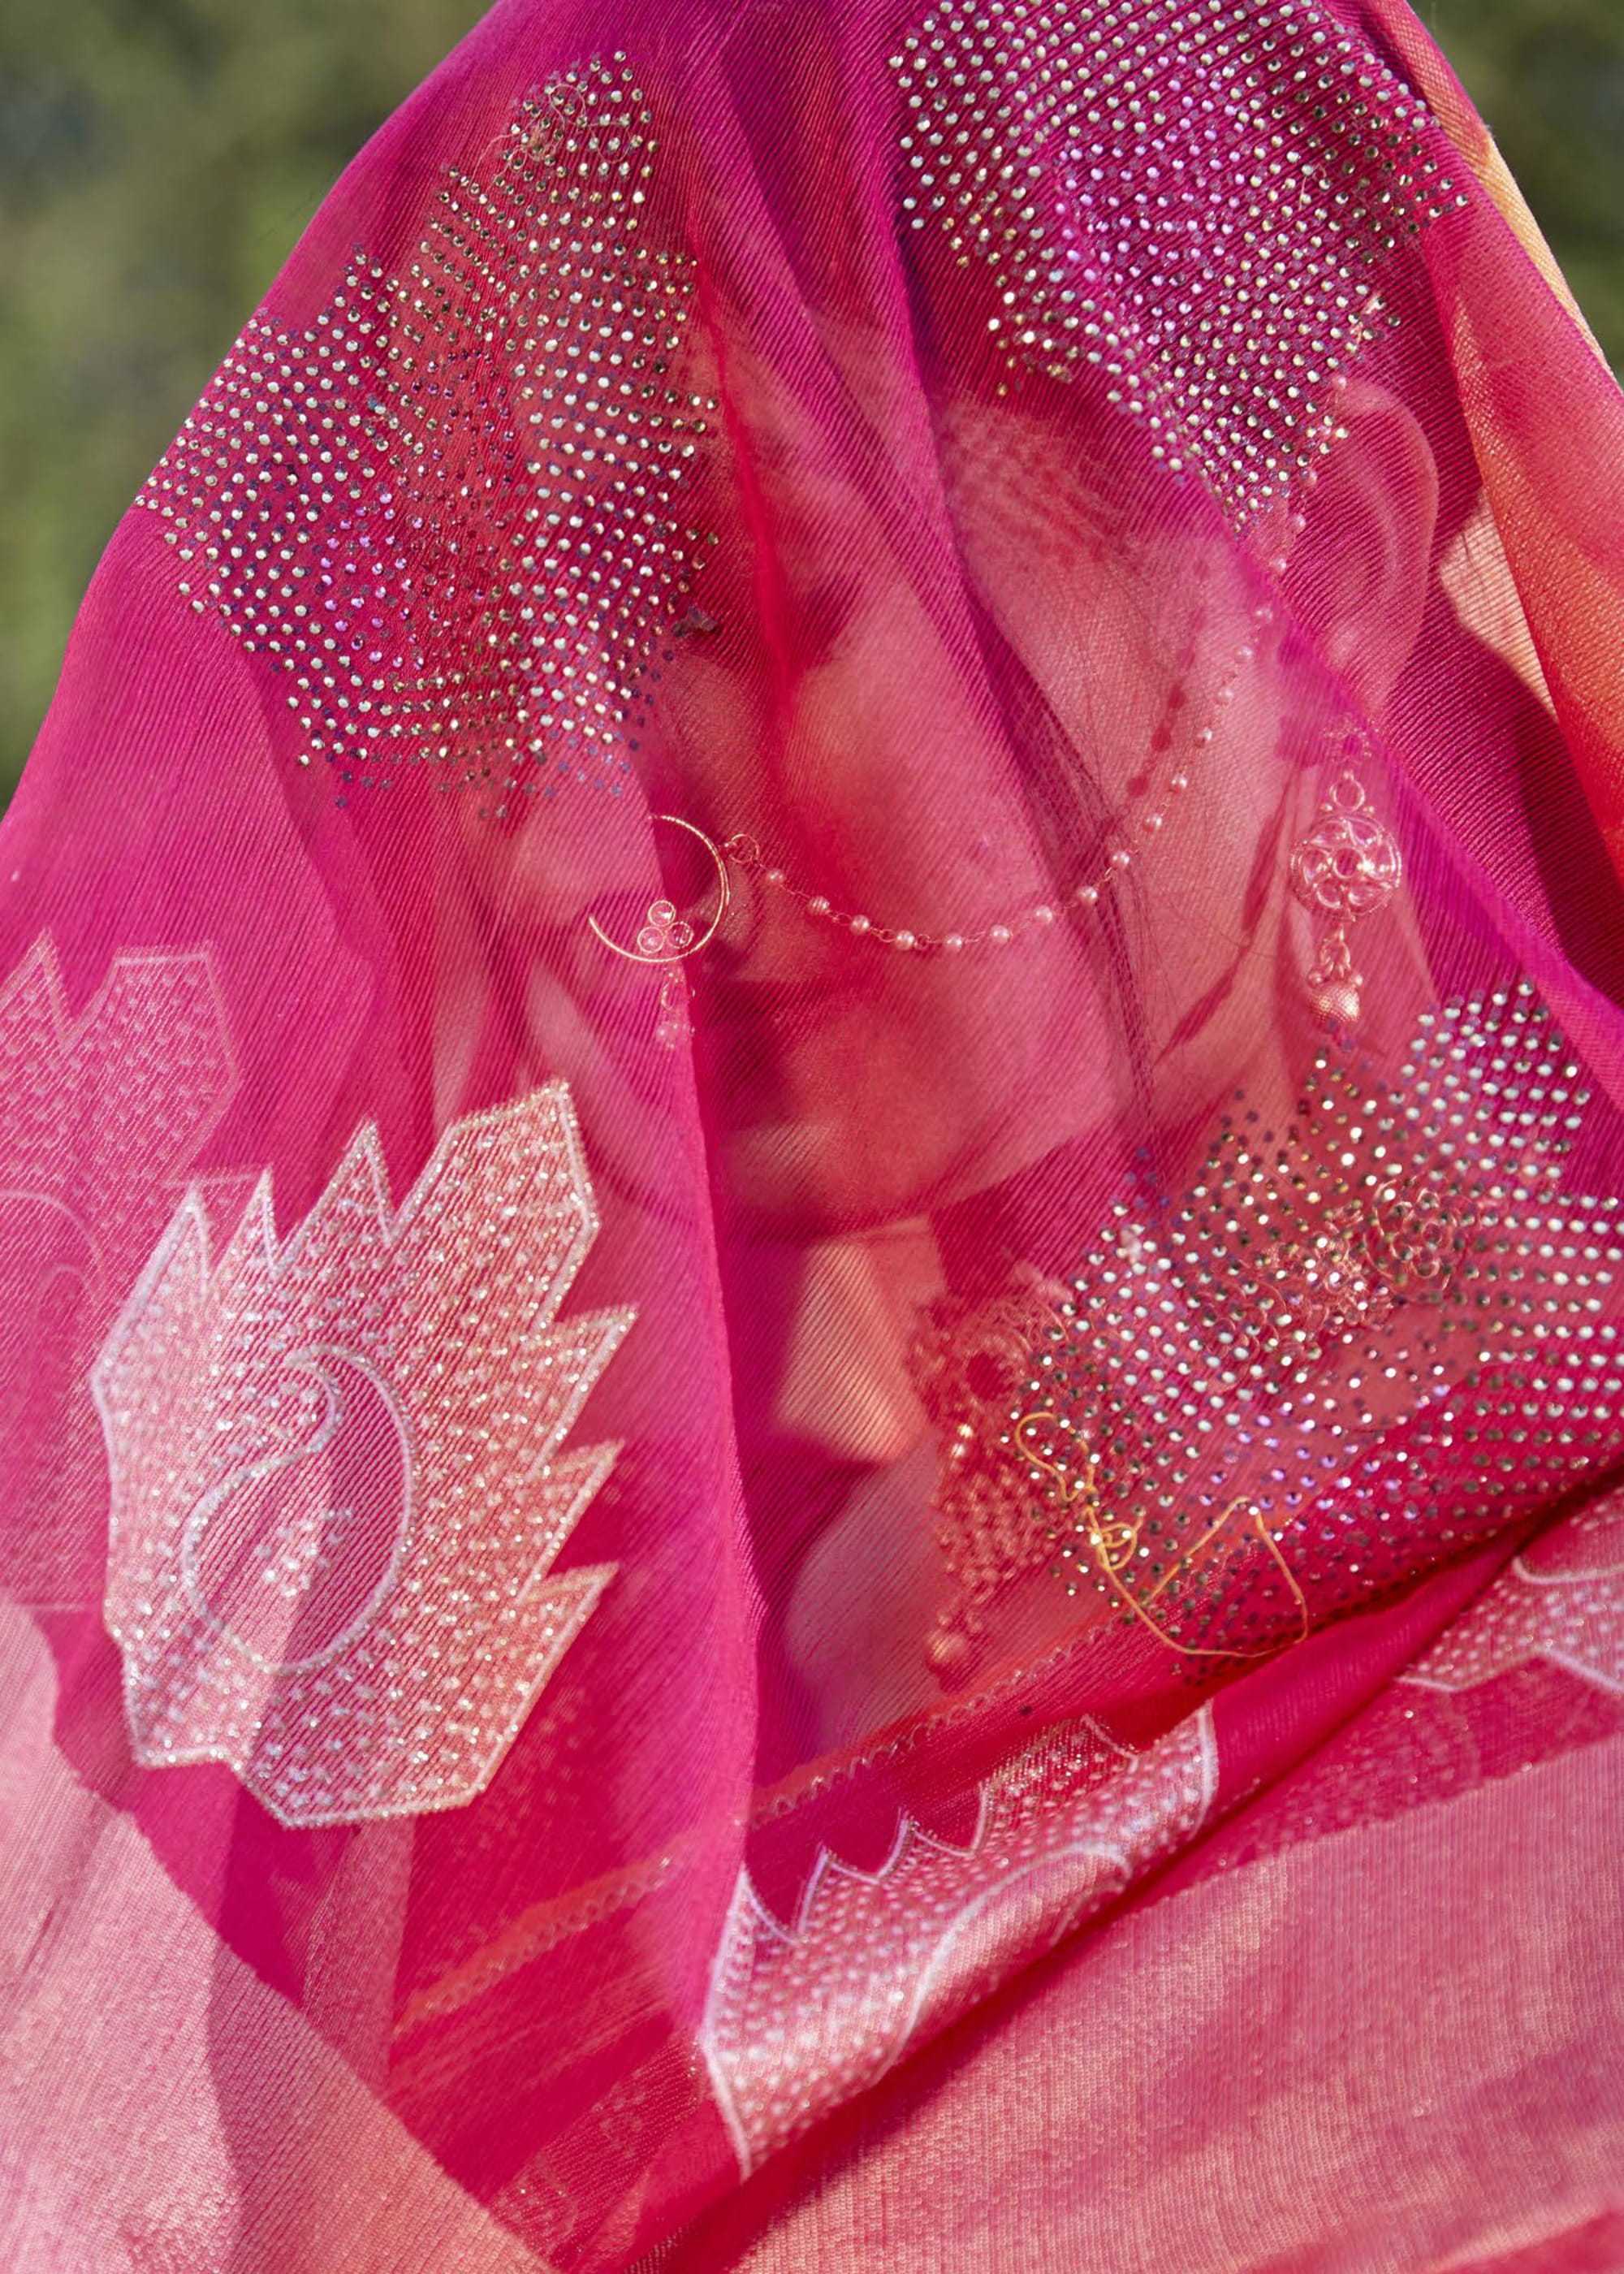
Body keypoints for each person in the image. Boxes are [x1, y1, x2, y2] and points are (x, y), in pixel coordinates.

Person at [1, 0, 1622, 2264]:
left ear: (1316, 565)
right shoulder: (627, 1674)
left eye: (736, 606)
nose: (560, 855)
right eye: (492, 675)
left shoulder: (1564, 1650)